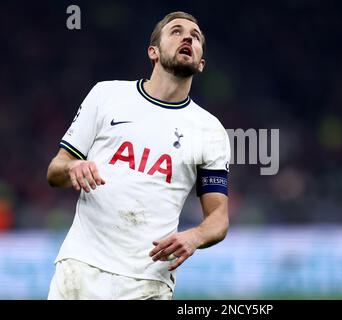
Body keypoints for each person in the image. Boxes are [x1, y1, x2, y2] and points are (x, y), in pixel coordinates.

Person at [46, 11, 230, 300]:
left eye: (195, 37)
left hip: (148, 282)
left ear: (201, 63)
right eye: (176, 32)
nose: (187, 38)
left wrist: (195, 237)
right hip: (80, 270)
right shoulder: (106, 95)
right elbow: (56, 169)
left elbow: (218, 217)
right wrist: (73, 168)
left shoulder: (210, 131)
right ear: (153, 52)